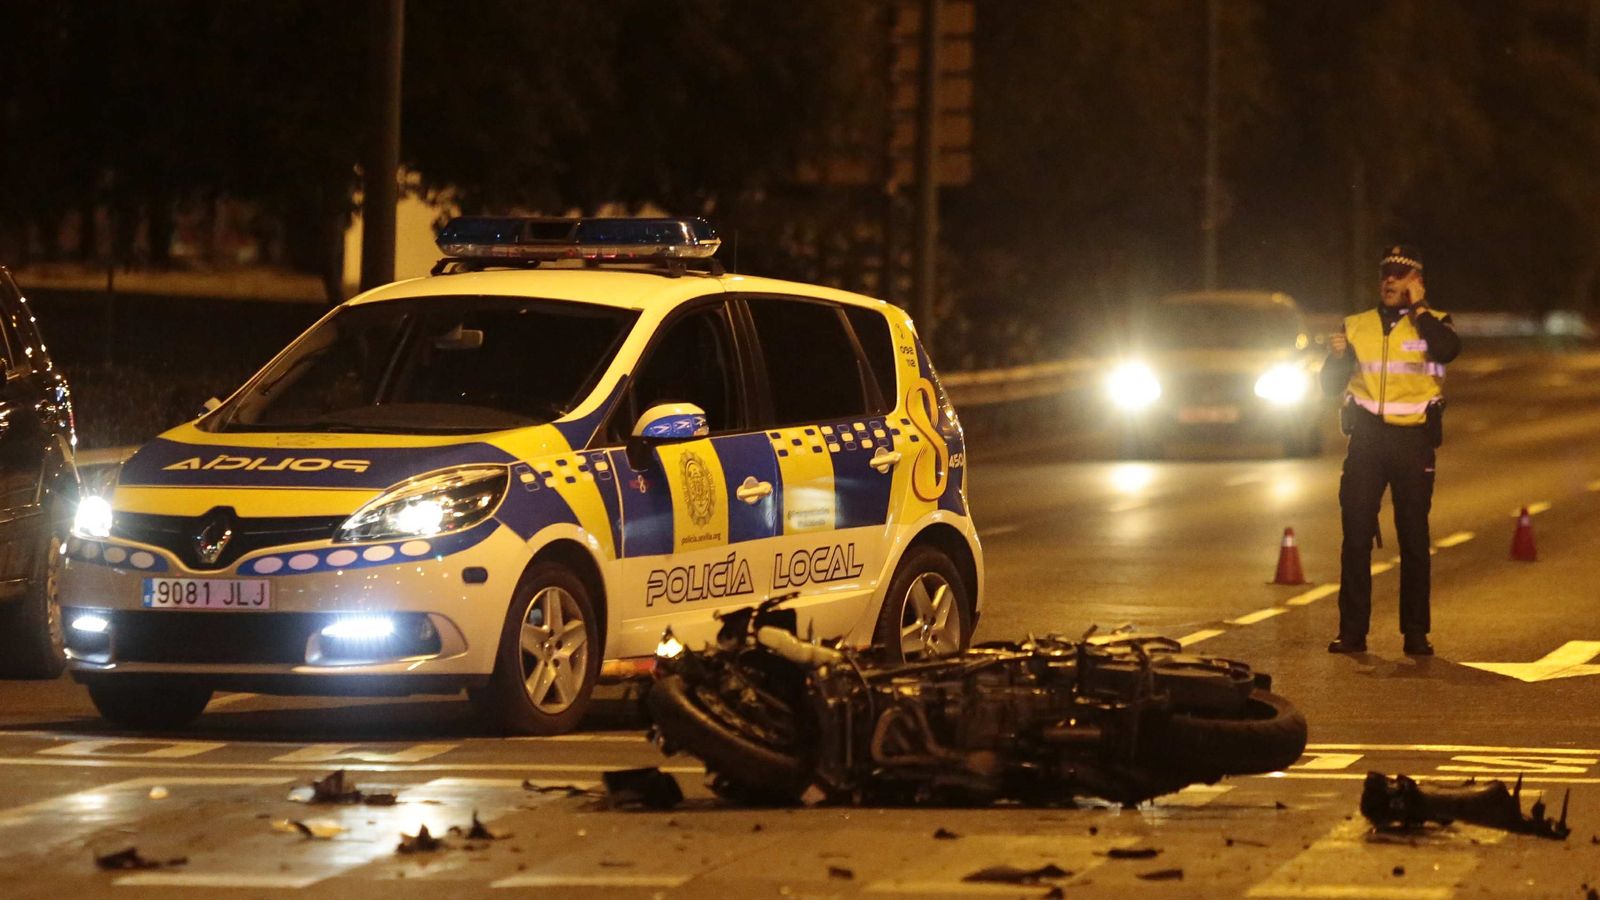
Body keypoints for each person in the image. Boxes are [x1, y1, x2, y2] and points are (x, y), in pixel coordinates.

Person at [1320, 245, 1461, 656]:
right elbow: (1329, 386)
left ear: (1417, 283)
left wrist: (1419, 310)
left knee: (1414, 538)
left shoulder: (1435, 323)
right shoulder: (1356, 325)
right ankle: (1352, 632)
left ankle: (1415, 633)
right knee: (1356, 536)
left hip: (1412, 440)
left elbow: (1447, 351)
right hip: (1366, 439)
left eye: (1400, 275)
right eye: (1385, 274)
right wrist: (1335, 359)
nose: (1389, 281)